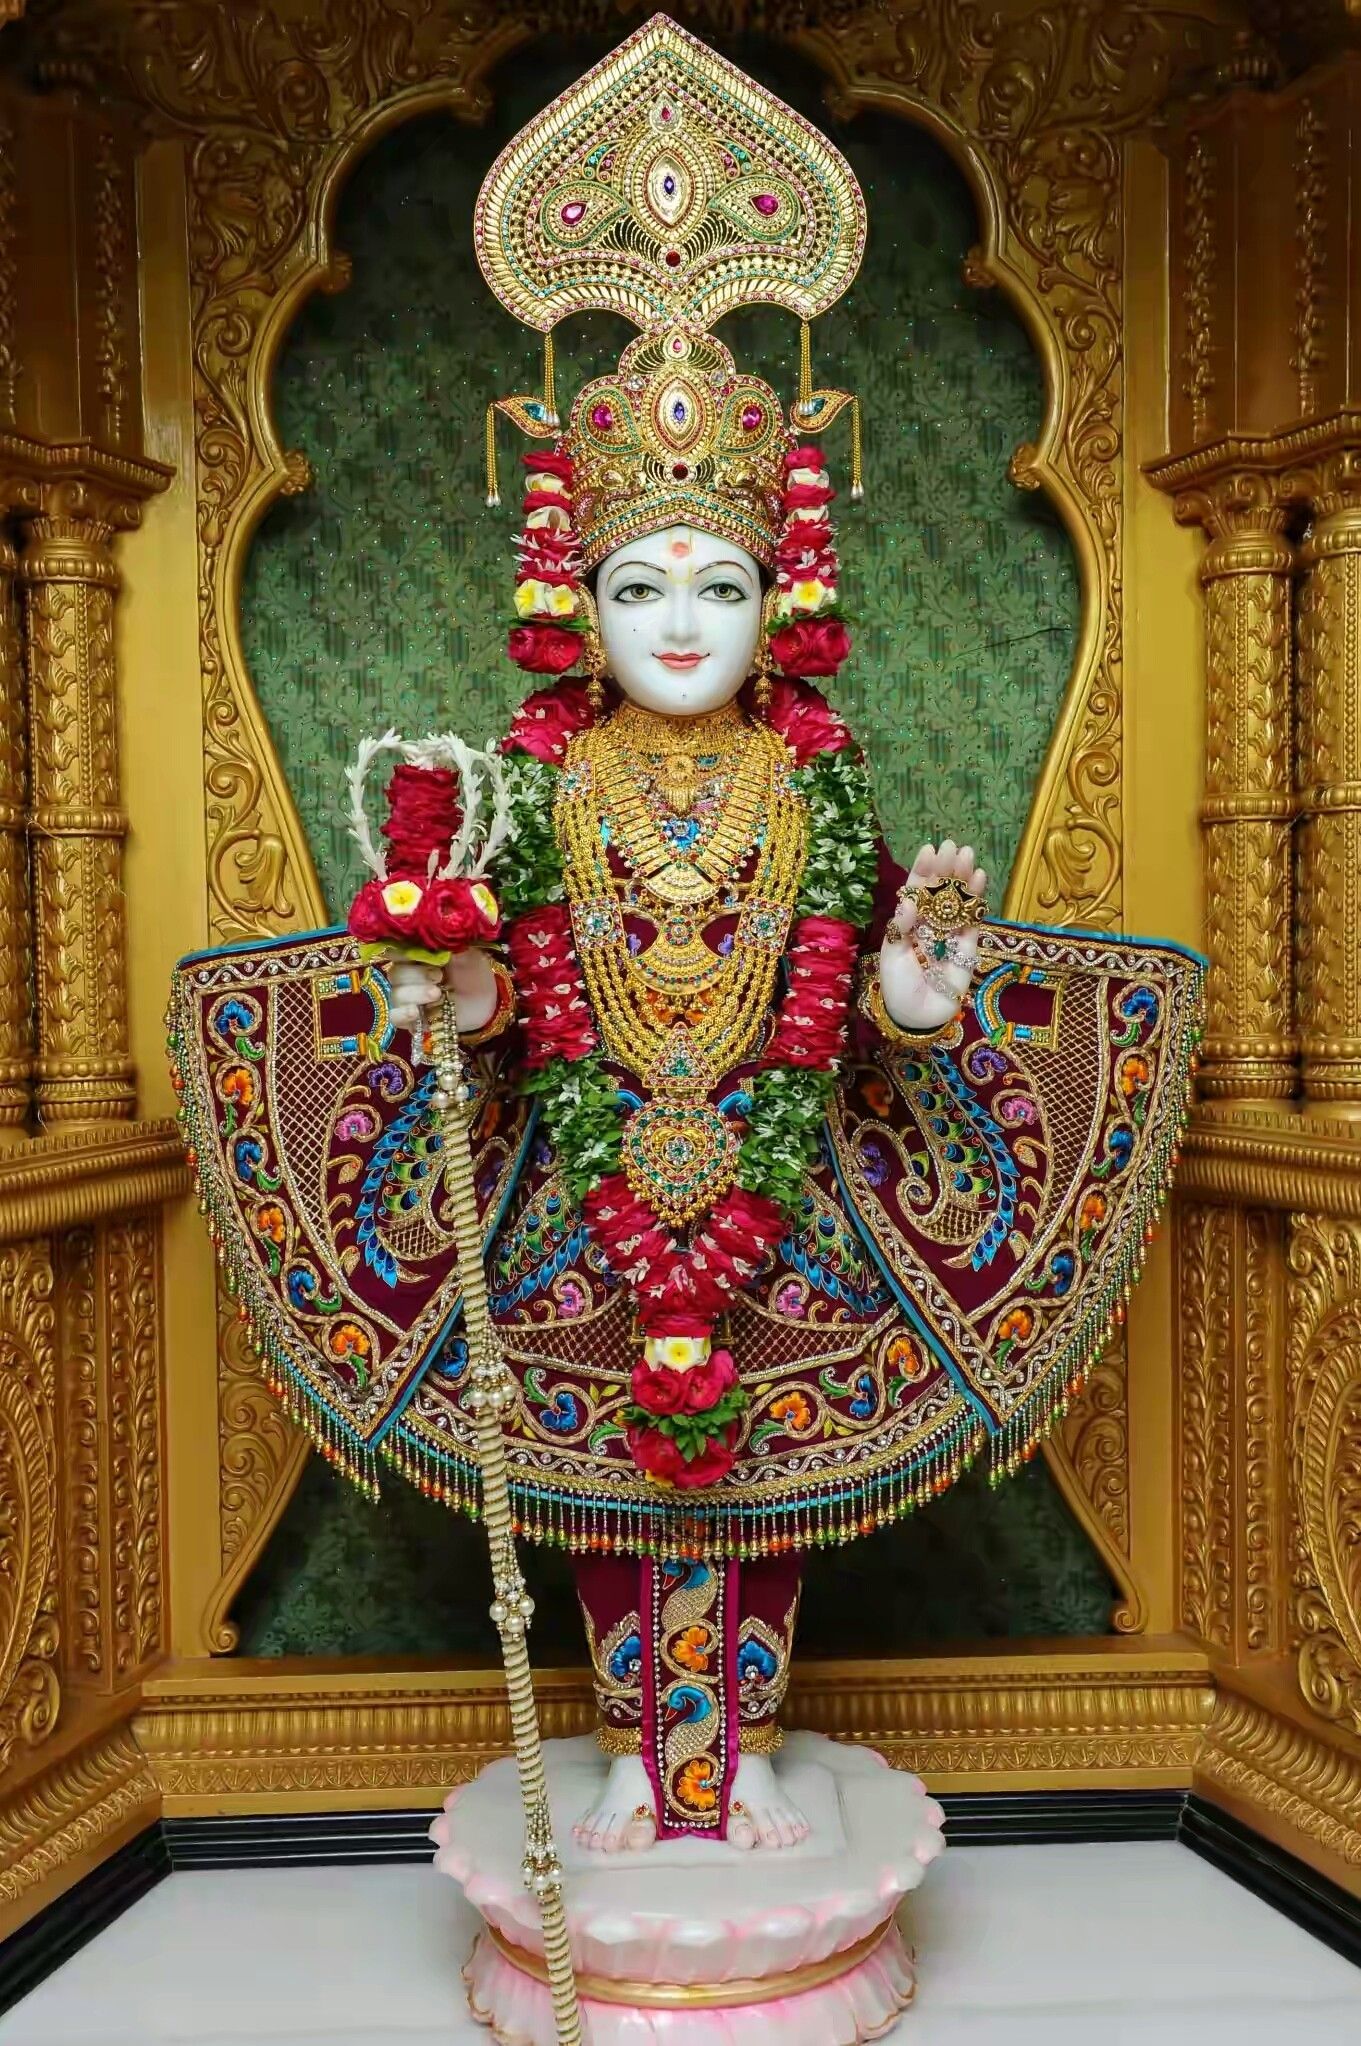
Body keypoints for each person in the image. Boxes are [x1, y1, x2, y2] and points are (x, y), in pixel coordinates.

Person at [169, 14, 1202, 1859]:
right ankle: (646, 1761)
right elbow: (500, 990)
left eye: (719, 583)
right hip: (578, 1182)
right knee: (608, 1499)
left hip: (782, 1173)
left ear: (778, 596)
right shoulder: (535, 776)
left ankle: (741, 1753)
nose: (677, 621)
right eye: (638, 582)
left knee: (760, 1494)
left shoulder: (813, 777)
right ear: (573, 595)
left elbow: (856, 981)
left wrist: (915, 984)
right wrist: (449, 976)